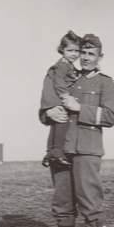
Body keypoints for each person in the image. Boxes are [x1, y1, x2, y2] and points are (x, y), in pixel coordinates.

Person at [39, 33, 114, 227]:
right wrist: (47, 112)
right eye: (82, 53)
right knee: (62, 205)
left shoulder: (105, 83)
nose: (85, 58)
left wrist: (79, 108)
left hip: (86, 150)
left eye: (90, 54)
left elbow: (110, 117)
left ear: (99, 57)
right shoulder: (66, 77)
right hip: (62, 148)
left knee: (91, 205)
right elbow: (45, 112)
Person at [42, 30, 81, 168]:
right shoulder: (62, 65)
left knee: (55, 125)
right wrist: (65, 96)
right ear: (62, 50)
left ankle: (50, 153)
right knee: (62, 121)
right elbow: (59, 81)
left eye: (77, 51)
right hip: (58, 97)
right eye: (70, 50)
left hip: (56, 98)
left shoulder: (68, 65)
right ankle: (57, 152)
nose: (74, 54)